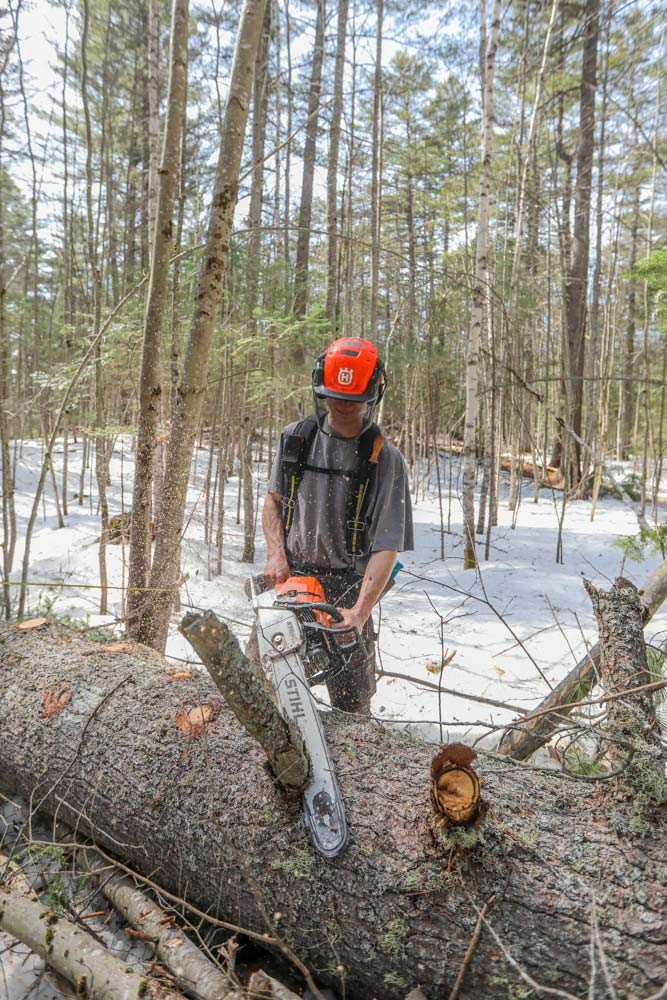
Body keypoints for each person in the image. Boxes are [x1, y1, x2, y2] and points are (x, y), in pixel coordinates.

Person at [261, 337, 414, 714]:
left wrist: (360, 612)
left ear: (371, 395)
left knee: (353, 702)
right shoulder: (296, 439)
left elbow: (386, 545)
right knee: (262, 686)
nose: (343, 404)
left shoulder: (384, 460)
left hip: (348, 586)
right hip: (294, 577)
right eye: (335, 395)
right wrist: (276, 556)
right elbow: (273, 502)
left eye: (352, 398)